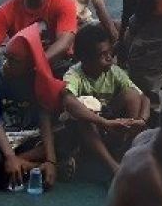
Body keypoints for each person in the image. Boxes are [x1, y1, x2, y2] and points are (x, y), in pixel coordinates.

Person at [0, 23, 66, 191]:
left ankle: (24, 163)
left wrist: (51, 159)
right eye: (5, 57)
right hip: (0, 138)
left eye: (14, 61)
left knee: (65, 137)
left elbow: (44, 119)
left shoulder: (38, 79)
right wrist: (9, 155)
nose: (6, 64)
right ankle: (34, 167)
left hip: (30, 139)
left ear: (30, 65)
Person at [62, 24, 149, 174]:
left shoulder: (114, 71)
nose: (110, 58)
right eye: (103, 55)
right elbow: (68, 101)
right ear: (85, 59)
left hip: (110, 123)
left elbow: (143, 97)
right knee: (85, 118)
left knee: (131, 94)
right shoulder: (74, 75)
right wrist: (104, 122)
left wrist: (141, 119)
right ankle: (113, 167)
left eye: (110, 52)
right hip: (85, 131)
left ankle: (125, 153)